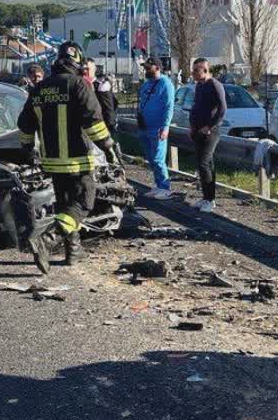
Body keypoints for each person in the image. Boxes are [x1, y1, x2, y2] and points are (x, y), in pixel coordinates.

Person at [17, 42, 121, 268]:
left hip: (51, 162)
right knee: (83, 203)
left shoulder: (39, 88)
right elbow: (94, 122)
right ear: (78, 61)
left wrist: (27, 150)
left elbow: (24, 125)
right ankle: (47, 239)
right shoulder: (78, 85)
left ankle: (73, 251)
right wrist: (108, 147)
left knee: (66, 206)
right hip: (76, 160)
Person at [187, 58, 226, 213]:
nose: (193, 73)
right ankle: (206, 197)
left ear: (204, 70)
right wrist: (192, 126)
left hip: (210, 131)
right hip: (197, 130)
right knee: (203, 164)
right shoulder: (199, 86)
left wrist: (209, 126)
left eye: (196, 70)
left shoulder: (215, 85)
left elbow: (222, 109)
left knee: (204, 164)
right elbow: (196, 106)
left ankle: (210, 200)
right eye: (193, 70)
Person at [136, 56, 176, 200]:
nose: (145, 70)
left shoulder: (166, 84)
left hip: (157, 127)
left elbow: (169, 107)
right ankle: (158, 184)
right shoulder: (147, 84)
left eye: (148, 67)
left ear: (157, 68)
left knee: (158, 159)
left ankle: (165, 188)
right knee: (151, 158)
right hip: (144, 126)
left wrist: (165, 127)